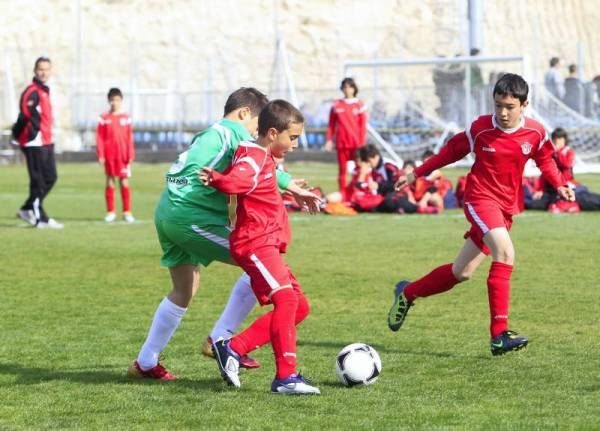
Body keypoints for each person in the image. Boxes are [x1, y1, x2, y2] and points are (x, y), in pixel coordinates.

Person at [127, 88, 317, 380]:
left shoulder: (210, 133)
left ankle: (146, 361)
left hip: (167, 212)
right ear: (244, 114)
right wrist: (290, 184)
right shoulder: (232, 133)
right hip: (189, 216)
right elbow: (251, 161)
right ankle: (220, 340)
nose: (257, 133)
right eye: (256, 125)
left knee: (184, 290)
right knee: (257, 260)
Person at [387, 73, 575, 356]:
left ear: (524, 105)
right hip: (479, 199)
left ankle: (408, 292)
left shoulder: (535, 132)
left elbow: (544, 158)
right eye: (498, 105)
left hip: (506, 208)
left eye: (509, 106)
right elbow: (451, 152)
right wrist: (416, 173)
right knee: (506, 253)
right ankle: (499, 335)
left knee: (460, 272)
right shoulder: (481, 129)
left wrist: (560, 184)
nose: (502, 112)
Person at [200, 100, 321, 395]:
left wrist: (292, 193)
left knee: (299, 307)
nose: (294, 145)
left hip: (265, 242)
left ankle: (233, 348)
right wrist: (218, 180)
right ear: (271, 132)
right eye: (292, 138)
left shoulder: (262, 156)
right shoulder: (253, 156)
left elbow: (257, 186)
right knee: (287, 301)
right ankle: (286, 377)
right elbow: (240, 179)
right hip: (255, 242)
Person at [12, 57, 63, 229]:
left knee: (51, 177)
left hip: (47, 141)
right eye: (40, 69)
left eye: (47, 69)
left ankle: (28, 208)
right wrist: (23, 133)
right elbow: (25, 114)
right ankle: (39, 217)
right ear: (35, 70)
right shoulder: (31, 91)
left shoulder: (45, 91)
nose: (43, 72)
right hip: (34, 142)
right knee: (38, 180)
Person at [96, 88, 135, 223]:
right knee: (110, 180)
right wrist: (100, 154)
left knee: (124, 180)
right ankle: (111, 212)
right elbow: (100, 137)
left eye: (117, 100)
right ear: (109, 101)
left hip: (123, 155)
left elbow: (129, 137)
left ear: (121, 100)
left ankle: (127, 211)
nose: (114, 102)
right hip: (109, 155)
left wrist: (130, 153)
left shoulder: (126, 118)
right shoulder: (103, 118)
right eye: (112, 100)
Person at [325, 77, 367, 202]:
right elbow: (331, 125)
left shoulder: (360, 105)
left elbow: (362, 126)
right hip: (342, 144)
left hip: (356, 145)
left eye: (350, 87)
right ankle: (343, 195)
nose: (347, 90)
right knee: (342, 171)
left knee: (360, 169)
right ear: (342, 89)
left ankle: (358, 193)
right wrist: (329, 140)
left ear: (354, 88)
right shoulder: (337, 105)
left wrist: (362, 144)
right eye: (345, 87)